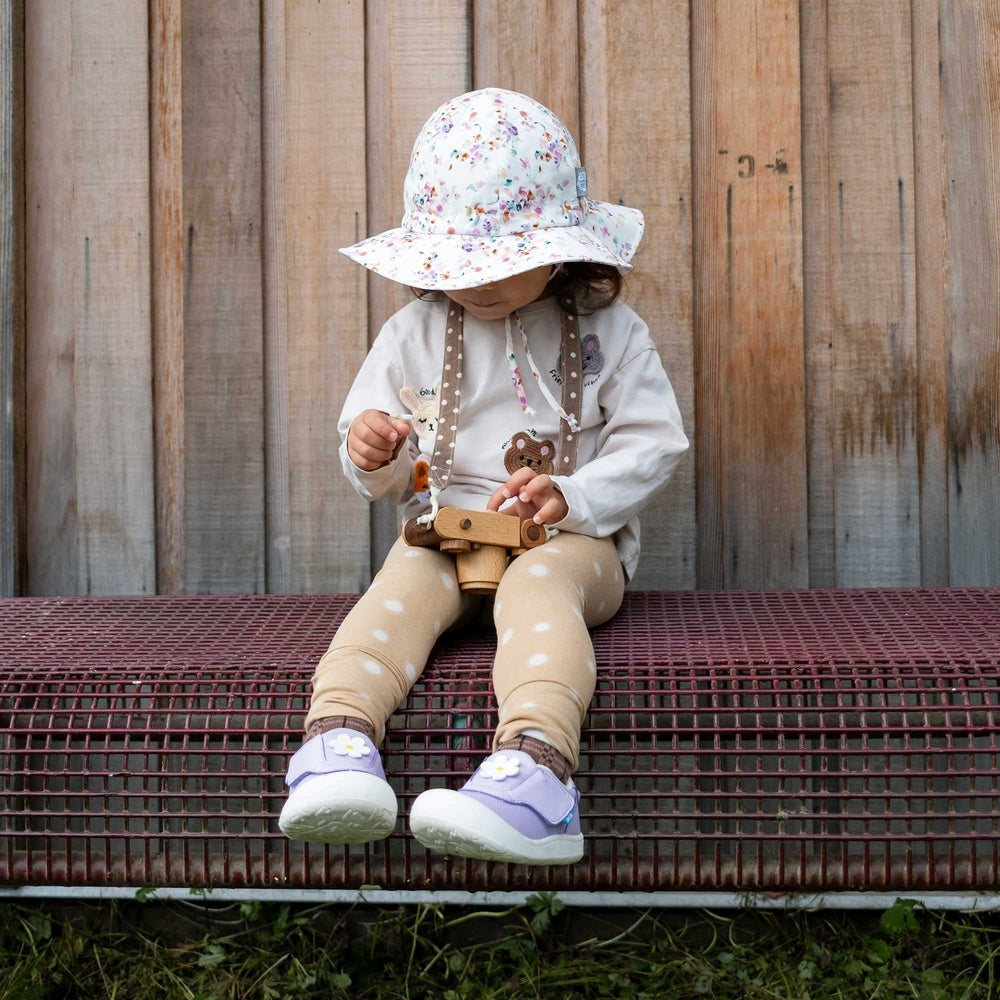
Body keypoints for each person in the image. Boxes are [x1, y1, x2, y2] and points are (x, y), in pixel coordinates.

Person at [278, 88, 688, 865]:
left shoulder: (611, 334)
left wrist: (574, 495)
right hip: (450, 531)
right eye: (457, 264)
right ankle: (338, 747)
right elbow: (382, 461)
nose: (477, 283)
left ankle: (536, 778)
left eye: (503, 262)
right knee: (394, 592)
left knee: (539, 593)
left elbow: (655, 441)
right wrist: (375, 450)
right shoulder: (414, 332)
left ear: (564, 249)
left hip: (568, 545)